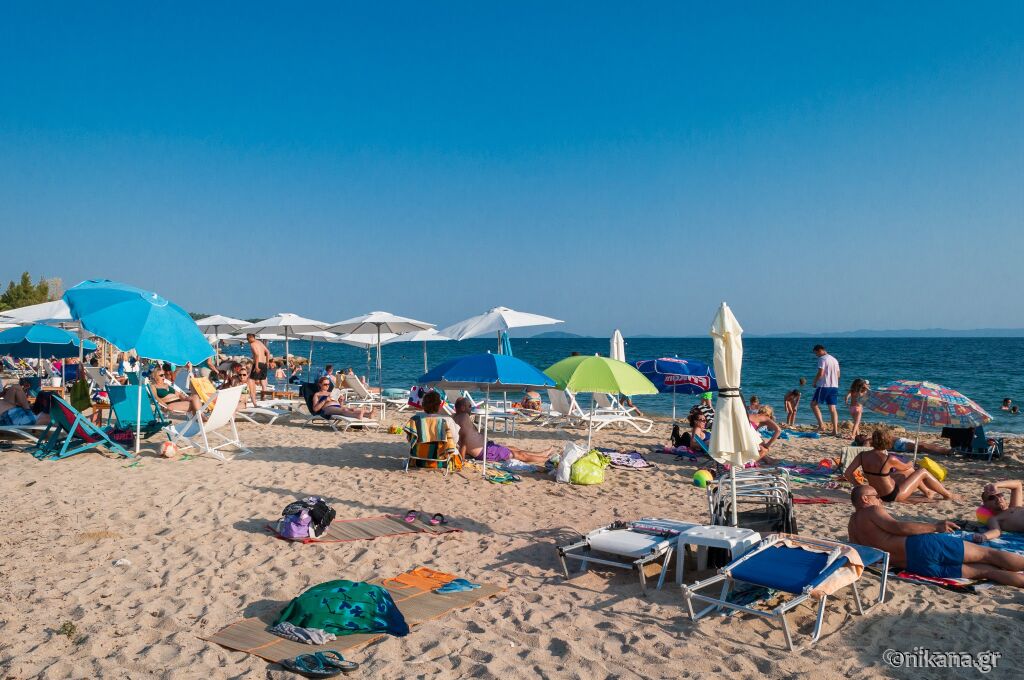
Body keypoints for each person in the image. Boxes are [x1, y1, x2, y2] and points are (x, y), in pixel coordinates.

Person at [848, 485, 1024, 587]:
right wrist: (936, 526)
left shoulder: (852, 525)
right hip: (922, 546)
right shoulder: (871, 510)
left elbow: (863, 553)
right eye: (876, 496)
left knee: (988, 571)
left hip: (913, 565)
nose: (879, 500)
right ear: (865, 499)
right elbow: (898, 527)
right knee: (989, 554)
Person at [844, 428, 956, 502]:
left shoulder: (862, 455)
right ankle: (948, 495)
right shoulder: (889, 459)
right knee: (922, 471)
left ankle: (927, 492)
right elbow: (907, 466)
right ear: (888, 442)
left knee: (909, 472)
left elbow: (848, 473)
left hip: (877, 492)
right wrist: (912, 462)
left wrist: (859, 486)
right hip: (892, 495)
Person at [452, 397, 553, 464]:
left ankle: (541, 454)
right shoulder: (464, 417)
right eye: (470, 406)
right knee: (519, 455)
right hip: (486, 452)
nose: (471, 408)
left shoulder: (457, 417)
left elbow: (463, 438)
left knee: (513, 448)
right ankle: (548, 460)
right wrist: (462, 459)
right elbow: (464, 439)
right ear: (463, 407)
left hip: (487, 447)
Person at [810, 344, 840, 436]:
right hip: (834, 386)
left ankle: (821, 425)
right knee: (832, 408)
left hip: (824, 385)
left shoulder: (822, 359)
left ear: (820, 350)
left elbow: (821, 373)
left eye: (816, 353)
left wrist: (814, 382)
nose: (816, 355)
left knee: (813, 404)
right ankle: (835, 430)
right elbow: (838, 375)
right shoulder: (834, 359)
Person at [851, 433, 951, 456]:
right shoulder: (868, 441)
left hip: (900, 442)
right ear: (860, 440)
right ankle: (946, 451)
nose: (863, 435)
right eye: (860, 436)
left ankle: (946, 451)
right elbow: (864, 450)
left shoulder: (870, 439)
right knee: (922, 447)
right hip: (899, 444)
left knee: (923, 446)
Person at [245, 333, 272, 399]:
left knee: (251, 380)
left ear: (251, 337)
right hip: (264, 364)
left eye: (248, 339)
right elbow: (268, 352)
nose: (247, 340)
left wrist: (256, 366)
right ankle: (264, 396)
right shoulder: (260, 342)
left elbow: (257, 354)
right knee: (263, 380)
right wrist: (267, 362)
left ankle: (252, 396)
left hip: (258, 363)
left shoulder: (252, 344)